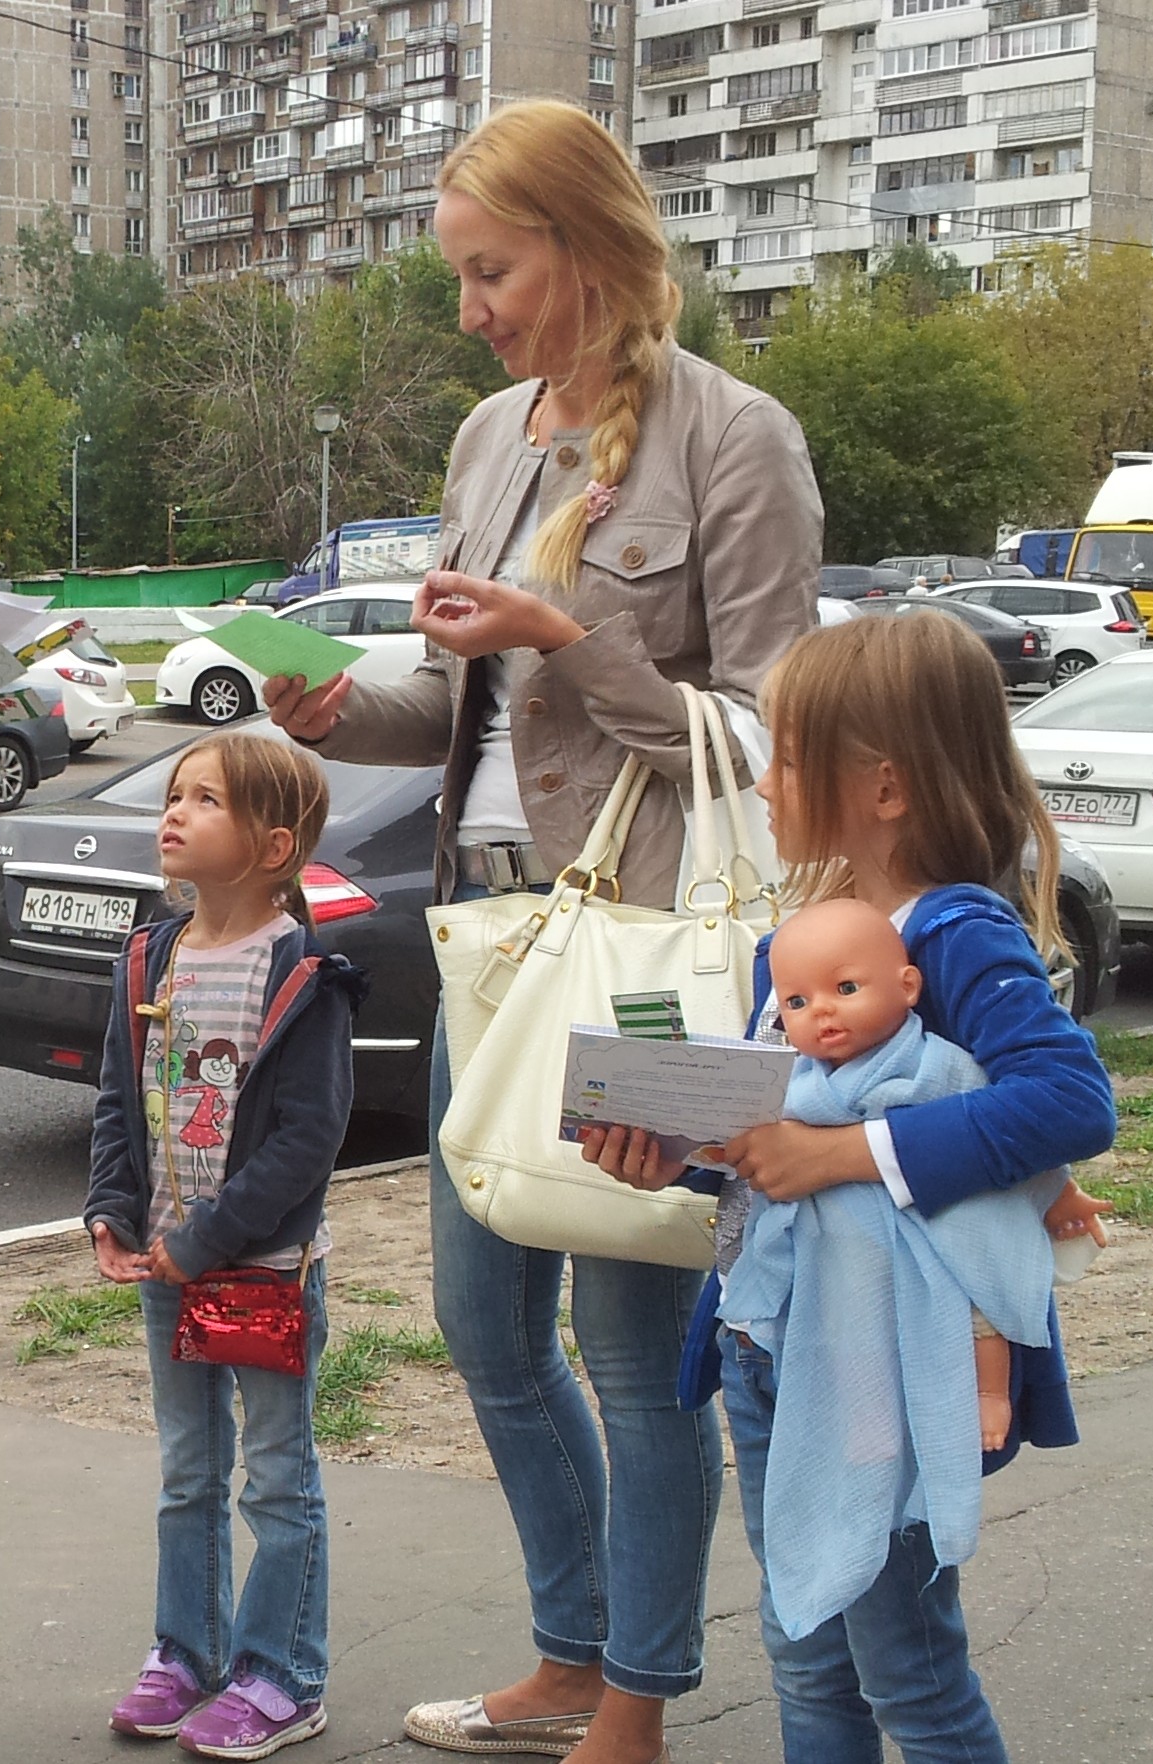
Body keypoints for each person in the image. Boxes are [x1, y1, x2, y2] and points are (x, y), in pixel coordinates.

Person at [263, 99, 821, 1764]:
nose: (470, 311)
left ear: (578, 251)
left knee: (631, 1339)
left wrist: (566, 640)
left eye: (487, 271)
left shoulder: (738, 438)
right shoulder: (491, 438)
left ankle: (635, 1695)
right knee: (483, 1324)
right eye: (459, 276)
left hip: (648, 955)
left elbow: (766, 736)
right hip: (489, 937)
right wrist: (319, 703)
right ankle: (567, 1654)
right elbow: (444, 697)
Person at [577, 613, 1119, 1761]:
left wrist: (840, 1157)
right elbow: (777, 1128)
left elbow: (1071, 1101)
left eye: (782, 755)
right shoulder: (821, 932)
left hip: (882, 1359)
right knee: (805, 1649)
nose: (763, 782)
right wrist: (679, 1148)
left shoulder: (956, 930)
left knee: (905, 1672)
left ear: (881, 787)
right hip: (774, 1344)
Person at [81, 732, 362, 1762]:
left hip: (260, 1270)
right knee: (189, 1471)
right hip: (169, 1264)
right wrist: (113, 1209)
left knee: (276, 1476)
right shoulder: (150, 955)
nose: (175, 812)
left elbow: (307, 1141)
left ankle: (282, 1675)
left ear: (273, 844)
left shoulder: (305, 971)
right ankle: (184, 1656)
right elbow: (120, 1097)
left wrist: (209, 1237)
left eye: (206, 800)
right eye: (174, 794)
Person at [733, 900, 1108, 1457]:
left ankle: (988, 1392)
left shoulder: (937, 1063)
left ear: (909, 987)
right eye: (797, 1003)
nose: (822, 1012)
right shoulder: (795, 1082)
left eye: (846, 990)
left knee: (980, 1298)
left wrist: (1056, 1194)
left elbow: (1021, 1127)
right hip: (843, 1253)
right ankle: (868, 1420)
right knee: (850, 1336)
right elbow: (752, 1144)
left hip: (941, 1226)